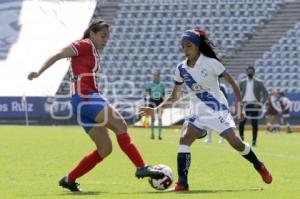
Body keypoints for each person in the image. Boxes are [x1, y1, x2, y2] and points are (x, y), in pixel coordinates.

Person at [27, 18, 164, 192]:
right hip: (86, 97)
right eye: (102, 36)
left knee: (105, 148)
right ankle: (141, 167)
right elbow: (59, 53)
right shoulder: (85, 44)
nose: (105, 40)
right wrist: (38, 72)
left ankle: (69, 179)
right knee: (120, 124)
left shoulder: (92, 51)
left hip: (80, 102)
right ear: (92, 33)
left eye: (107, 37)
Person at [140, 28, 272, 191]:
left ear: (197, 46)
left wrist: (239, 106)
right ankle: (182, 183)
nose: (185, 50)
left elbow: (233, 84)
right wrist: (156, 110)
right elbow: (174, 96)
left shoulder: (211, 63)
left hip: (217, 110)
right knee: (184, 140)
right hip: (196, 111)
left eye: (188, 46)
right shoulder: (181, 69)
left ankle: (259, 165)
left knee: (235, 143)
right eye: (183, 47)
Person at [238, 66, 268, 146]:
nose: (250, 72)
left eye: (251, 71)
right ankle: (242, 140)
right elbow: (237, 92)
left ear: (254, 72)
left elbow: (266, 93)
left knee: (254, 123)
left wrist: (261, 103)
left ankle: (254, 142)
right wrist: (239, 102)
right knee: (241, 123)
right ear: (246, 72)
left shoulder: (259, 82)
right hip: (245, 104)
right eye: (248, 71)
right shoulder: (242, 82)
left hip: (255, 105)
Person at [144, 70, 165, 139]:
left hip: (160, 101)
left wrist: (163, 102)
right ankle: (152, 134)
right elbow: (146, 93)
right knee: (153, 119)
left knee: (159, 118)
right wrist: (145, 103)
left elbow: (163, 94)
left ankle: (160, 135)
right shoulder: (149, 84)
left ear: (159, 76)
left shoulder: (162, 84)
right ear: (153, 76)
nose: (156, 77)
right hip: (152, 101)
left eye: (158, 75)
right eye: (155, 75)